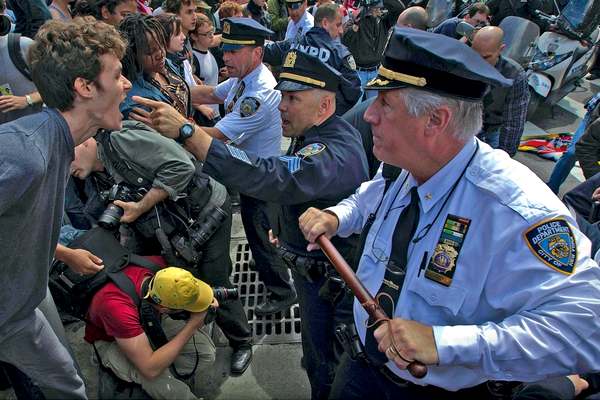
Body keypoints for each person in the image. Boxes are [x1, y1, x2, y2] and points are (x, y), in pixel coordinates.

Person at [299, 27, 600, 398]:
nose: (370, 116)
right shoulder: (404, 163)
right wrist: (339, 216)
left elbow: (586, 330)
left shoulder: (516, 210)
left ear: (436, 121)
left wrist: (445, 344)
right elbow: (372, 196)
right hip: (363, 362)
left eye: (385, 104)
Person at [129, 50, 369, 399]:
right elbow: (291, 184)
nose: (281, 106)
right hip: (314, 272)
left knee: (329, 367)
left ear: (324, 105)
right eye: (283, 95)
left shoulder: (333, 152)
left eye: (293, 98)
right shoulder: (316, 132)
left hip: (329, 280)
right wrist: (281, 228)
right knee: (318, 349)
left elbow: (275, 175)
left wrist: (188, 133)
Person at [0, 17, 132, 399]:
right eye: (118, 75)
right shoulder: (24, 152)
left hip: (21, 308)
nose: (126, 85)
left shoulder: (56, 143)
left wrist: (63, 253)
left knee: (69, 387)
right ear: (85, 87)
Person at [86, 261, 217, 400]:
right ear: (164, 308)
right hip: (111, 339)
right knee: (164, 384)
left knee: (205, 354)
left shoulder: (160, 269)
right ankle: (146, 370)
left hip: (148, 317)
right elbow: (149, 370)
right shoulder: (118, 308)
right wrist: (192, 326)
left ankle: (157, 362)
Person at [264, 3, 361, 115]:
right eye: (338, 25)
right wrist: (327, 112)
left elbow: (266, 52)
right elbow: (353, 92)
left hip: (295, 118)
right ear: (325, 23)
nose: (341, 31)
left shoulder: (292, 45)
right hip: (323, 120)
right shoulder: (340, 53)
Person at [471, 26, 529, 157]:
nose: (478, 62)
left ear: (500, 50)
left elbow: (514, 120)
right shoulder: (464, 63)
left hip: (491, 132)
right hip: (464, 129)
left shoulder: (514, 75)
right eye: (475, 55)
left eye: (486, 57)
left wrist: (505, 156)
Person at [341, 0, 404, 98]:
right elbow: (345, 40)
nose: (379, 11)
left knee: (372, 104)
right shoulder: (356, 19)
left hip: (376, 71)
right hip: (357, 72)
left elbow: (399, 9)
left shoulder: (384, 21)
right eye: (376, 8)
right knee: (355, 107)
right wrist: (356, 24)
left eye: (379, 8)